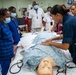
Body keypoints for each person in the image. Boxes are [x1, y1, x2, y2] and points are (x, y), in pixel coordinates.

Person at [0, 8, 14, 75]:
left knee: (9, 67)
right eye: (7, 16)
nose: (9, 18)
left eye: (9, 16)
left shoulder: (5, 24)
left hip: (9, 51)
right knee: (5, 69)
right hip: (3, 53)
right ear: (1, 16)